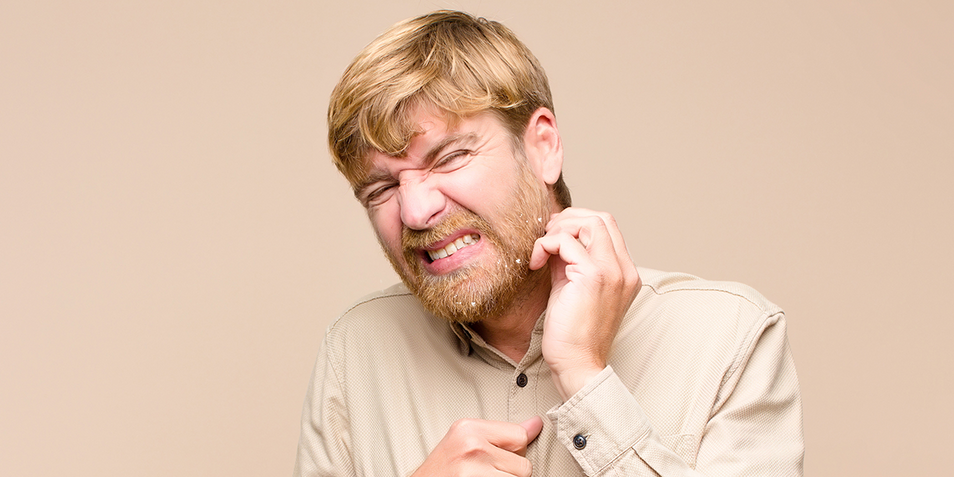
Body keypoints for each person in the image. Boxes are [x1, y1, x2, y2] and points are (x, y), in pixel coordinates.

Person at [295, 10, 803, 476]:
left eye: (448, 158)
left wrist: (586, 379)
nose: (415, 211)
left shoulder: (728, 339)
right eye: (382, 189)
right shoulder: (354, 350)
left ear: (543, 146)